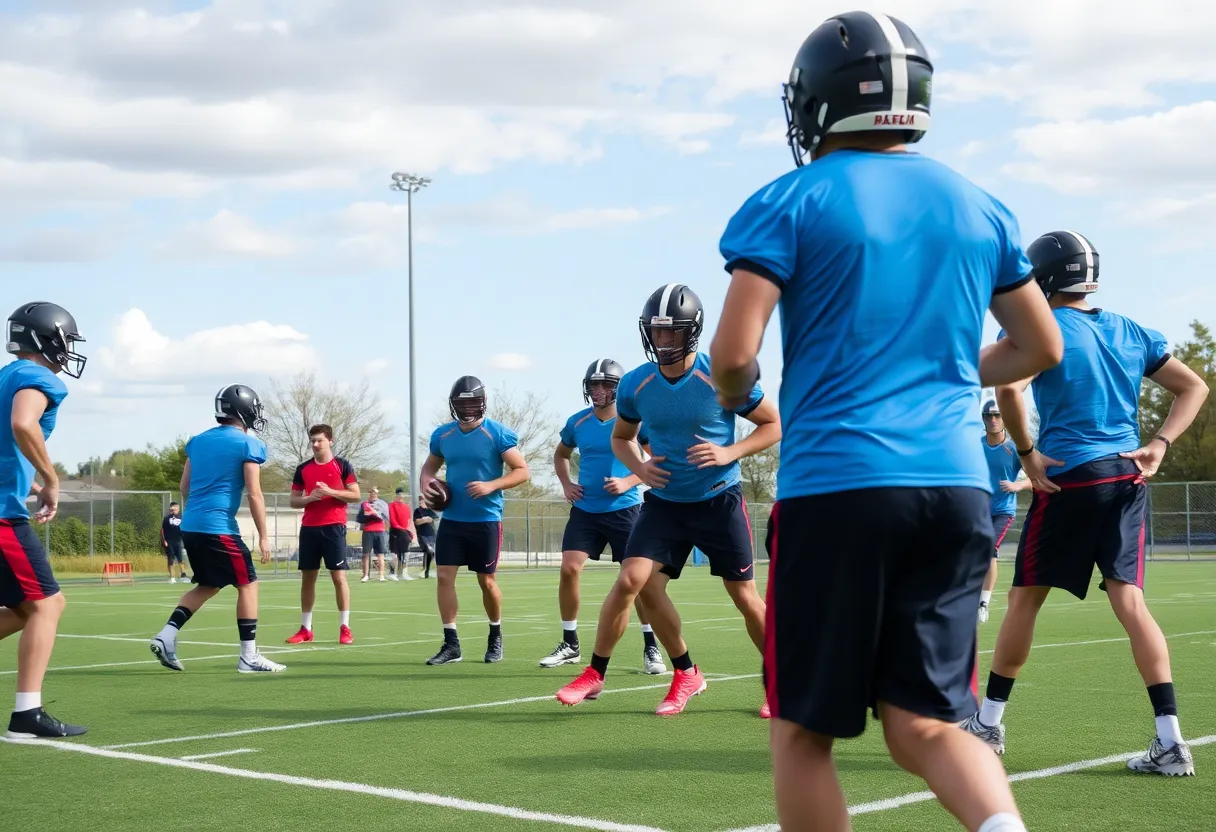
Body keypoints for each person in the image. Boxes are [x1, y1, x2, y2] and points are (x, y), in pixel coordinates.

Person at [708, 12, 1066, 831]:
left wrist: (736, 404)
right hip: (955, 485)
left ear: (822, 102)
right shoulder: (980, 203)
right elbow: (1039, 345)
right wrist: (936, 367)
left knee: (804, 734)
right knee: (928, 724)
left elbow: (734, 356)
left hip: (839, 483)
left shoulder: (789, 198)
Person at [961, 230, 1208, 777]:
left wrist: (1027, 454)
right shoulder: (1130, 330)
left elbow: (1006, 389)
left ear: (1043, 277)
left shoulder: (1038, 328)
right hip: (1126, 478)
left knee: (1025, 600)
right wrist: (1161, 443)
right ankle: (1170, 741)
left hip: (1070, 479)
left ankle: (989, 723)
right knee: (1131, 603)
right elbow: (1194, 387)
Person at [556, 284, 781, 718]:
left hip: (719, 500)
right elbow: (623, 438)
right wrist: (640, 470)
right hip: (663, 503)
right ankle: (651, 672)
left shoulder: (722, 374)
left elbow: (773, 425)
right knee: (633, 583)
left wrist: (729, 452)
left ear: (691, 332)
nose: (663, 341)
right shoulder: (637, 383)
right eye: (656, 333)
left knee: (744, 596)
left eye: (672, 333)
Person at [539, 359, 666, 675]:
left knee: (636, 581)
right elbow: (561, 454)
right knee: (569, 569)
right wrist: (567, 484)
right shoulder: (578, 422)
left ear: (618, 388)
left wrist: (628, 480)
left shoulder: (635, 423)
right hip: (585, 511)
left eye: (606, 384)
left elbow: (657, 460)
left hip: (626, 512)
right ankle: (570, 643)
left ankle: (651, 647)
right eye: (594, 385)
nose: (599, 390)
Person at [149, 384, 284, 675]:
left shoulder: (197, 441)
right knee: (248, 583)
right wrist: (263, 536)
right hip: (218, 526)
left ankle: (166, 635)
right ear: (245, 410)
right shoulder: (249, 444)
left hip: (192, 525)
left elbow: (184, 486)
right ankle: (249, 656)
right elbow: (255, 493)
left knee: (208, 585)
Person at [2, 301, 88, 738]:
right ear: (46, 337)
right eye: (66, 339)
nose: (68, 349)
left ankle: (27, 712)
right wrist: (51, 479)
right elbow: (22, 424)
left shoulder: (4, 375)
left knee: (21, 610)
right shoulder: (36, 376)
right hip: (2, 518)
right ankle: (26, 715)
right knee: (48, 604)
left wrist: (28, 486)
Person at [421, 376, 529, 665]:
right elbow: (428, 469)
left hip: (486, 519)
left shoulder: (498, 433)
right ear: (453, 405)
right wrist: (427, 486)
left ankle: (495, 636)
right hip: (453, 519)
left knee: (487, 581)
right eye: (461, 403)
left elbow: (521, 471)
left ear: (482, 403)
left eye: (472, 402)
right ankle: (451, 644)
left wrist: (491, 485)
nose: (467, 409)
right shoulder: (443, 436)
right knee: (444, 577)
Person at [284, 425, 359, 645]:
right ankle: (306, 629)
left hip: (334, 527)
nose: (315, 445)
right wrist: (310, 499)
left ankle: (345, 627)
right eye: (313, 441)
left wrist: (331, 492)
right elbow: (293, 500)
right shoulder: (303, 469)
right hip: (309, 528)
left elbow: (355, 495)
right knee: (308, 578)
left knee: (338, 577)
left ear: (330, 441)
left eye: (320, 441)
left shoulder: (342, 465)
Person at [978, 400, 1031, 623]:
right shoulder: (975, 446)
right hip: (977, 510)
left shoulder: (1013, 449)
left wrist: (1018, 485)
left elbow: (1035, 476)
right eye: (988, 416)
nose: (993, 420)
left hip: (1003, 511)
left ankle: (983, 603)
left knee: (989, 549)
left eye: (997, 415)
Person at [357, 486, 392, 582]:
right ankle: (365, 575)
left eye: (374, 493)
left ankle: (381, 576)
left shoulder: (383, 504)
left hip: (380, 531)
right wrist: (368, 515)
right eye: (371, 492)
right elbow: (360, 518)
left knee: (380, 554)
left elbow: (386, 516)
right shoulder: (364, 504)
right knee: (366, 553)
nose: (372, 494)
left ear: (377, 494)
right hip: (368, 530)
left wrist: (377, 514)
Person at [388, 487, 416, 580]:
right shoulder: (391, 505)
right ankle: (392, 573)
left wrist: (407, 531)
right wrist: (401, 529)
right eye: (399, 494)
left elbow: (408, 521)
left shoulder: (406, 507)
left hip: (404, 532)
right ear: (396, 495)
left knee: (405, 553)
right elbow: (392, 520)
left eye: (402, 494)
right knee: (394, 553)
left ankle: (404, 573)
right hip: (395, 531)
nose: (401, 496)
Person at [162, 501, 189, 584]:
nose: (175, 509)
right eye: (173, 508)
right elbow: (162, 530)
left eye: (176, 508)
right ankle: (172, 577)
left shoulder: (181, 518)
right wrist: (164, 541)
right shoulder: (166, 519)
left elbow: (184, 530)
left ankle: (183, 575)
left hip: (178, 541)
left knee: (180, 559)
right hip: (169, 541)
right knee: (171, 560)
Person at [413, 499, 438, 578]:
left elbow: (436, 518)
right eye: (421, 502)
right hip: (422, 534)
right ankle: (424, 569)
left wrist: (430, 519)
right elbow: (417, 521)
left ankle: (427, 569)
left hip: (431, 534)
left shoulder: (429, 510)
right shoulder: (417, 511)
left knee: (432, 553)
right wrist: (425, 520)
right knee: (428, 551)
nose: (422, 503)